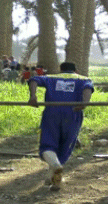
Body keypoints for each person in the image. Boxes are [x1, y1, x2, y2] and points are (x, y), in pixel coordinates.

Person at [28, 62, 93, 191]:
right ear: (76, 70)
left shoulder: (51, 78)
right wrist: (85, 103)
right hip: (73, 113)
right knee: (65, 144)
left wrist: (33, 96)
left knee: (48, 144)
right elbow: (87, 89)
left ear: (61, 69)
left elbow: (33, 80)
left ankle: (55, 170)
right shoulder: (83, 79)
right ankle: (56, 179)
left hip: (52, 113)